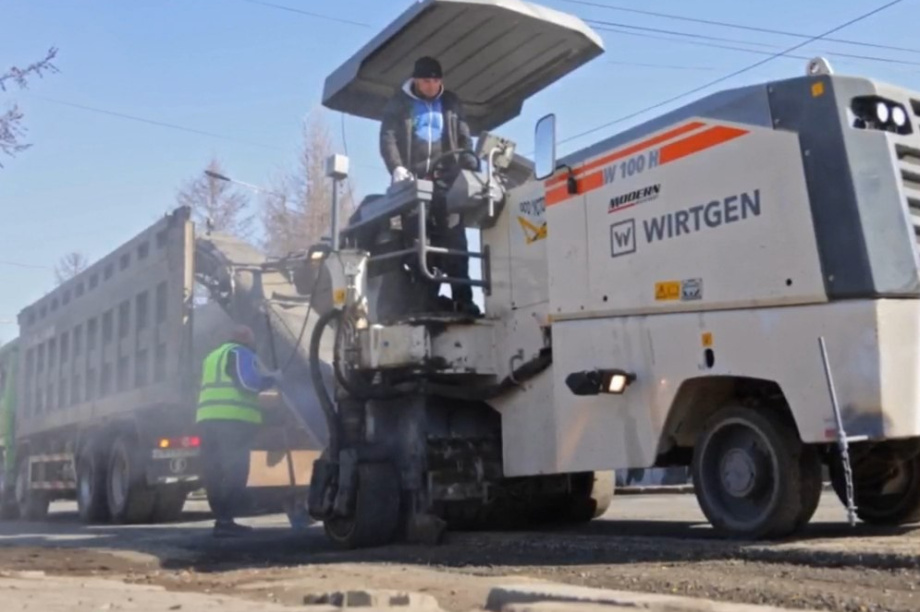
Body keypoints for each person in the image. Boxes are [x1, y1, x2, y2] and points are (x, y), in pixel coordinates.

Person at [379, 55, 480, 316]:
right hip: (412, 185)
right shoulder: (400, 104)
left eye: (436, 81)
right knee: (417, 241)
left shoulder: (451, 102)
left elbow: (464, 137)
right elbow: (388, 137)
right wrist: (397, 167)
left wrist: (469, 162)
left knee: (455, 238)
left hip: (446, 181)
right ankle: (423, 301)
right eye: (427, 81)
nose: (432, 86)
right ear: (415, 81)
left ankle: (463, 299)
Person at [195, 325, 279, 538]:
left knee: (214, 471)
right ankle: (226, 520)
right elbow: (247, 384)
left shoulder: (212, 356)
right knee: (236, 470)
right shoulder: (240, 353)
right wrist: (272, 379)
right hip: (233, 421)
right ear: (246, 340)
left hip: (207, 420)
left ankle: (222, 519)